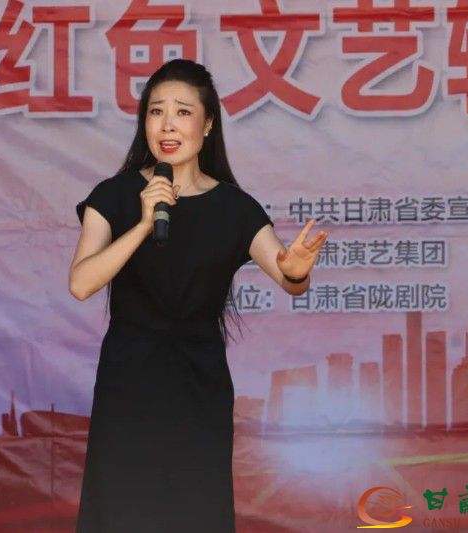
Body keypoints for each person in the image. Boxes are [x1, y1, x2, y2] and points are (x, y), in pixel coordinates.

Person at [69, 59, 327, 533]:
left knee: (196, 511)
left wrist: (295, 272)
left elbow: (290, 278)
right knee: (124, 511)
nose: (167, 125)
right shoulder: (114, 195)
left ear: (207, 124)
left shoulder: (235, 208)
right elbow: (81, 283)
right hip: (129, 382)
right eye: (156, 111)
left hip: (199, 382)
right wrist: (143, 224)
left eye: (182, 112)